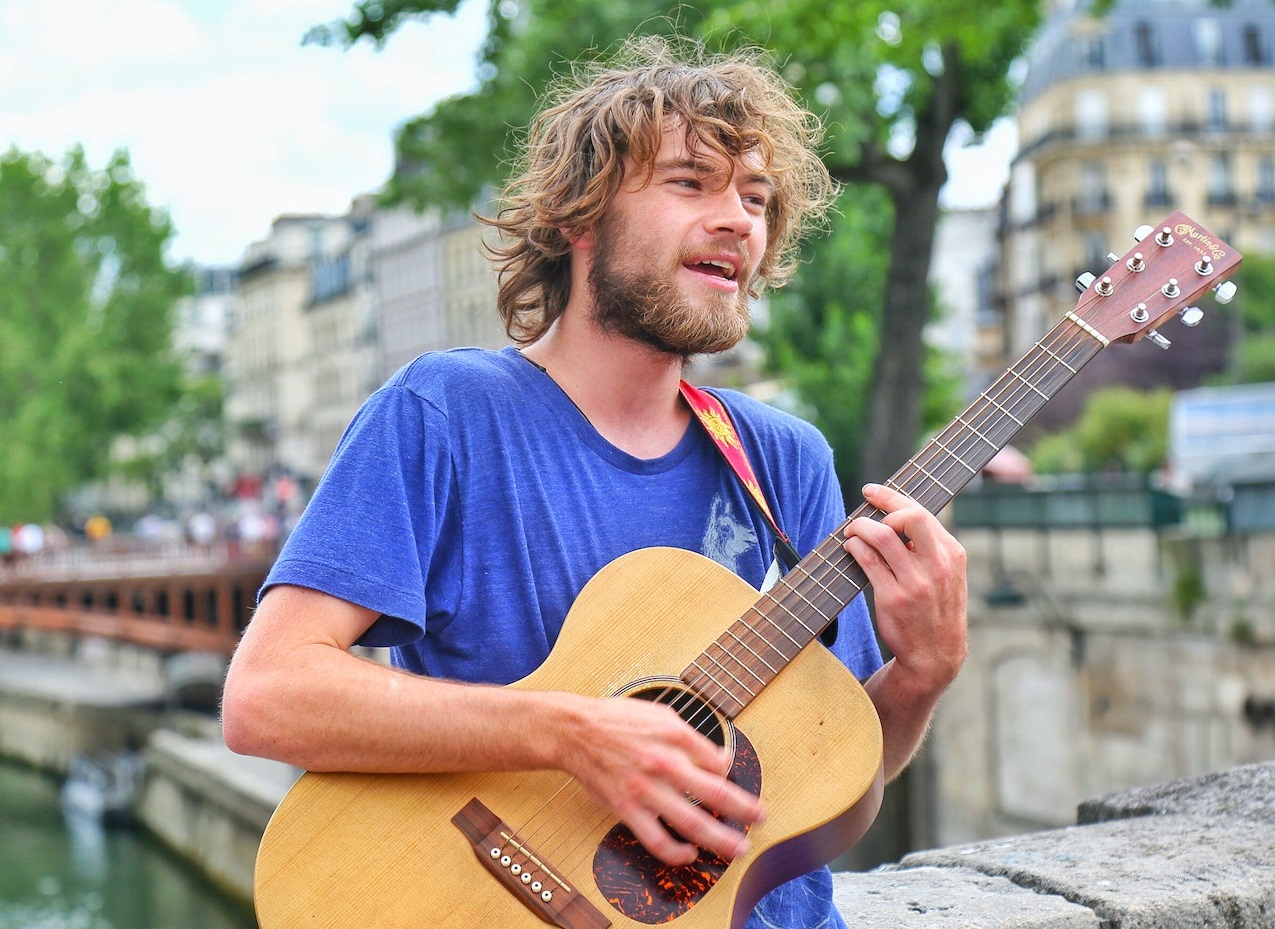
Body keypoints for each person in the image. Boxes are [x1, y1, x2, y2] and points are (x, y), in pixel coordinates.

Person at [221, 34, 967, 929]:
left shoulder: (784, 458)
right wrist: (571, 733)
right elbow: (268, 696)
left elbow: (826, 780)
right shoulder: (445, 412)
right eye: (691, 182)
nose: (739, 220)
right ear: (580, 219)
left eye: (756, 198)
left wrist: (922, 672)